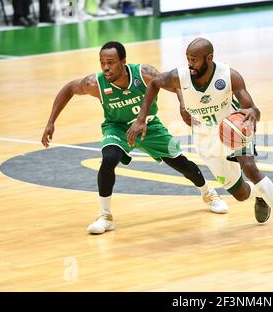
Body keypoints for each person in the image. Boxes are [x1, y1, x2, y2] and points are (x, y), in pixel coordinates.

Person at [127, 38, 273, 250]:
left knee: (250, 168)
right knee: (240, 195)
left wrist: (253, 114)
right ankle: (260, 195)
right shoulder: (180, 76)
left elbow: (253, 109)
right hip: (205, 138)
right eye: (187, 59)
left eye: (194, 60)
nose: (190, 64)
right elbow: (155, 83)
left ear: (209, 58)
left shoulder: (230, 76)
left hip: (233, 128)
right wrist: (141, 118)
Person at [41, 41, 228, 235]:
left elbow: (176, 84)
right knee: (108, 160)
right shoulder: (94, 83)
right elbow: (70, 88)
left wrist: (183, 105)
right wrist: (51, 122)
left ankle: (209, 193)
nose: (106, 67)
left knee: (182, 164)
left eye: (111, 62)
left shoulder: (144, 73)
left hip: (149, 125)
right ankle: (105, 216)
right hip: (117, 128)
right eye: (102, 62)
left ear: (123, 61)